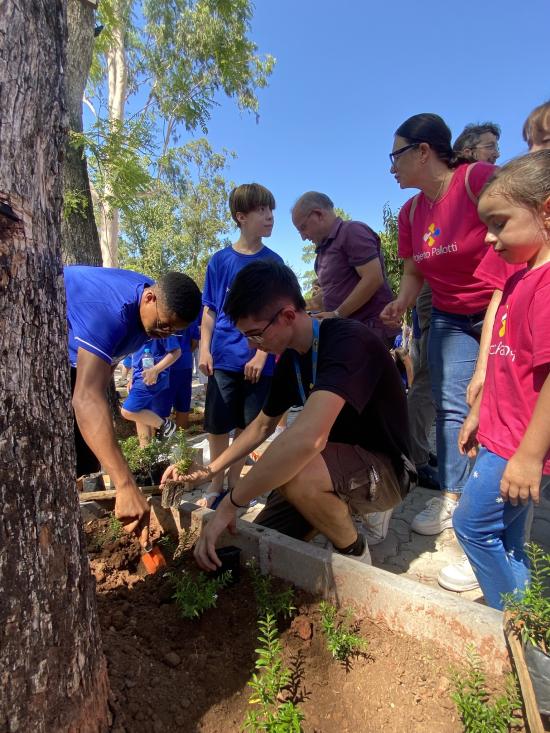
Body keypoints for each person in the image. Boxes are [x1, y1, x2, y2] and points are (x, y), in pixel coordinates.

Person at [162, 261, 415, 572]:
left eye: (255, 334)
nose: (251, 345)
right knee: (265, 543)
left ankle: (355, 555)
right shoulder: (291, 359)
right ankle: (337, 506)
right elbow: (261, 426)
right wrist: (210, 470)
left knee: (296, 470)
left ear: (287, 316)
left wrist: (230, 504)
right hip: (333, 461)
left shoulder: (349, 341)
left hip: (386, 467)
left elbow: (309, 439)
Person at [380, 113, 518, 552]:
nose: (391, 167)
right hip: (450, 315)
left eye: (396, 155)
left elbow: (521, 217)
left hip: (505, 304)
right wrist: (402, 301)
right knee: (451, 405)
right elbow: (415, 268)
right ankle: (452, 499)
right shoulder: (410, 212)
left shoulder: (477, 179)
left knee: (501, 402)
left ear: (424, 152)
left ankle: (502, 510)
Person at [453, 150, 550, 609]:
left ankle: (518, 630)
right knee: (509, 542)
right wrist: (477, 412)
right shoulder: (518, 280)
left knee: (471, 527)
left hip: (517, 446)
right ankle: (528, 622)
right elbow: (503, 360)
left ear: (546, 210)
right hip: (499, 435)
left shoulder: (547, 285)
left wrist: (530, 456)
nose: (490, 238)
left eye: (500, 223)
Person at [66, 265, 201, 544]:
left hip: (77, 358)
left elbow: (106, 369)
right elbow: (85, 397)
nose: (166, 334)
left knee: (86, 457)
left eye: (175, 331)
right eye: (164, 325)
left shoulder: (151, 308)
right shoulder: (110, 313)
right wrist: (126, 485)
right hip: (39, 345)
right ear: (150, 298)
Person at [199, 183, 284, 508]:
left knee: (247, 427)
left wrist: (263, 354)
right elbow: (210, 309)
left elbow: (280, 315)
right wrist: (205, 349)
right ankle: (215, 483)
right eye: (262, 210)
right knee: (218, 426)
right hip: (223, 359)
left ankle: (235, 487)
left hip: (259, 364)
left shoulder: (273, 263)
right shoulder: (220, 261)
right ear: (241, 217)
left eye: (271, 210)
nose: (269, 217)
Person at [291, 192, 398, 345]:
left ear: (318, 214)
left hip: (368, 329)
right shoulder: (322, 252)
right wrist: (297, 307)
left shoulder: (351, 231)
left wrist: (337, 314)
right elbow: (330, 296)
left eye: (303, 227)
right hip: (347, 331)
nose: (303, 237)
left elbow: (373, 278)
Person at [120, 337, 181, 446]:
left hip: (152, 377)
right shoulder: (137, 328)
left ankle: (166, 426)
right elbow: (135, 357)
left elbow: (176, 351)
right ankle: (145, 453)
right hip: (138, 378)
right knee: (139, 413)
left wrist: (155, 370)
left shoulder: (161, 325)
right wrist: (131, 378)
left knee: (128, 411)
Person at [169, 319, 200, 430]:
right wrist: (185, 351)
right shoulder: (192, 319)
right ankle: (181, 434)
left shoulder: (166, 314)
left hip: (167, 364)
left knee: (164, 402)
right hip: (185, 362)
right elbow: (195, 342)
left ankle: (162, 435)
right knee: (183, 400)